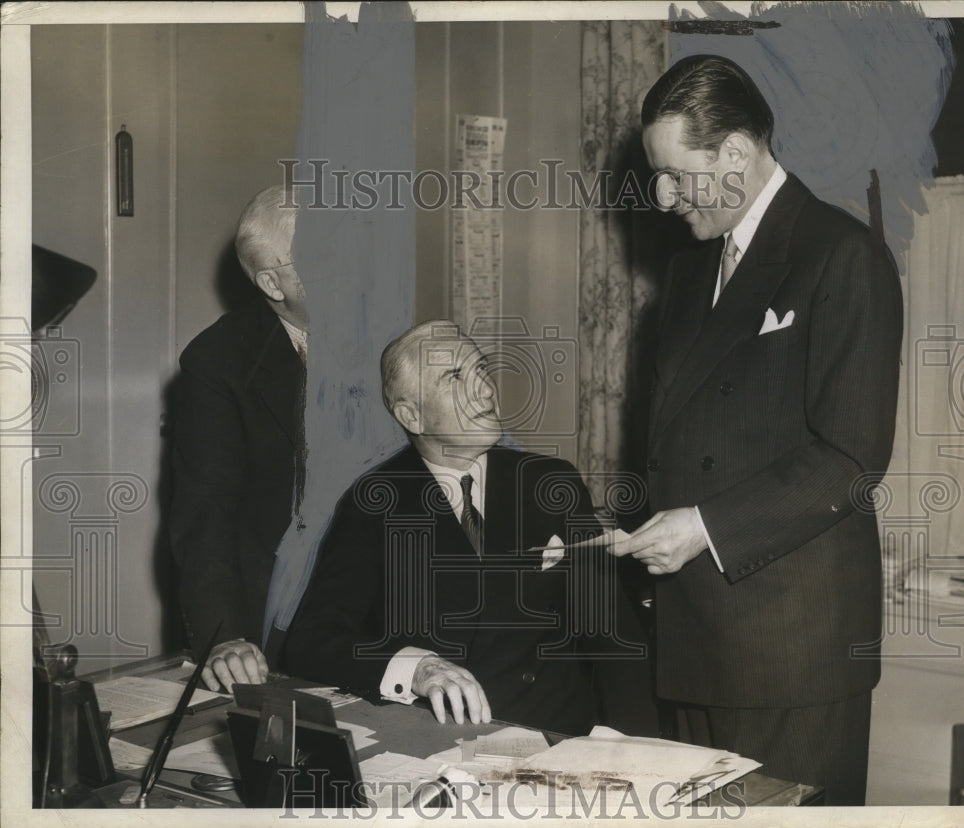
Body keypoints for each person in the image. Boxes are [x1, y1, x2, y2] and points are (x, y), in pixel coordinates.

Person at [611, 55, 903, 804]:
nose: (663, 196)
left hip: (789, 653)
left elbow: (850, 457)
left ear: (736, 154)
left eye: (678, 174)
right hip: (692, 637)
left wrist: (703, 526)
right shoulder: (687, 274)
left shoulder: (842, 255)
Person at [285, 321, 656, 736]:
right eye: (455, 377)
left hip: (554, 735)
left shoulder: (551, 483)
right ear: (413, 415)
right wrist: (417, 667)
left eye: (481, 370)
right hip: (441, 740)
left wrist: (637, 749)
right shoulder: (375, 501)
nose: (484, 389)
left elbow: (613, 636)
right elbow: (312, 641)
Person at [170, 185, 307, 692]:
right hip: (277, 616)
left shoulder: (389, 333)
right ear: (273, 283)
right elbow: (205, 512)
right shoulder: (217, 361)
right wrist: (223, 636)